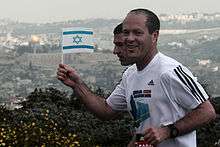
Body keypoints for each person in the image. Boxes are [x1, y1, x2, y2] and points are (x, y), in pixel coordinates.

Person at [57, 9, 216, 147]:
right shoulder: (130, 74)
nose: (129, 38)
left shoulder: (169, 71)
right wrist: (77, 85)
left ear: (154, 36)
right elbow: (107, 111)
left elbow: (207, 111)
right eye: (126, 32)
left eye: (137, 33)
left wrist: (168, 131)